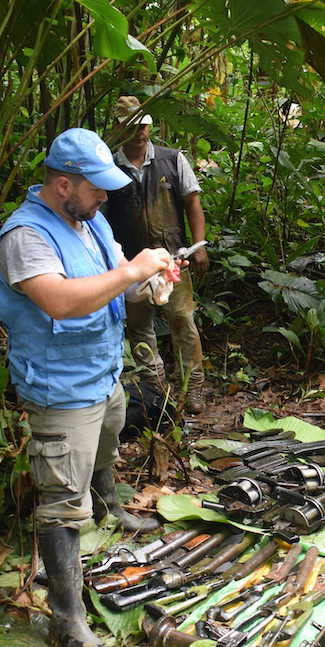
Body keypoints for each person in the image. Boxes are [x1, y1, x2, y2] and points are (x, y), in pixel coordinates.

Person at [0, 128, 178, 647]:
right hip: (60, 388)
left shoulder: (88, 222)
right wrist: (135, 269)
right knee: (60, 500)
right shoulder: (26, 235)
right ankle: (67, 620)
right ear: (64, 183)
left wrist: (151, 282)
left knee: (109, 438)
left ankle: (107, 505)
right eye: (97, 188)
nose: (106, 197)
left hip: (101, 373)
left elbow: (119, 279)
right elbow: (62, 302)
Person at [102, 97, 210, 413]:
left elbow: (193, 203)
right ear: (119, 128)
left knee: (182, 320)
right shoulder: (109, 168)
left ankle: (194, 389)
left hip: (172, 260)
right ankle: (155, 388)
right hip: (131, 265)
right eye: (133, 126)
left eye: (144, 125)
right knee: (138, 328)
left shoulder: (171, 159)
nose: (140, 132)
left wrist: (199, 246)